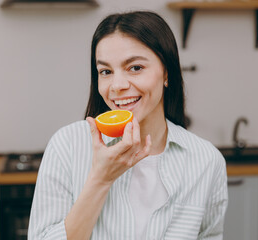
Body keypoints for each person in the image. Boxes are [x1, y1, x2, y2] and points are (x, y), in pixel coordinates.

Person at [28, 11, 228, 240]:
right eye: (106, 71)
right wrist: (101, 179)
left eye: (135, 68)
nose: (117, 85)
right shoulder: (67, 146)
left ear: (167, 73)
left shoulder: (206, 161)